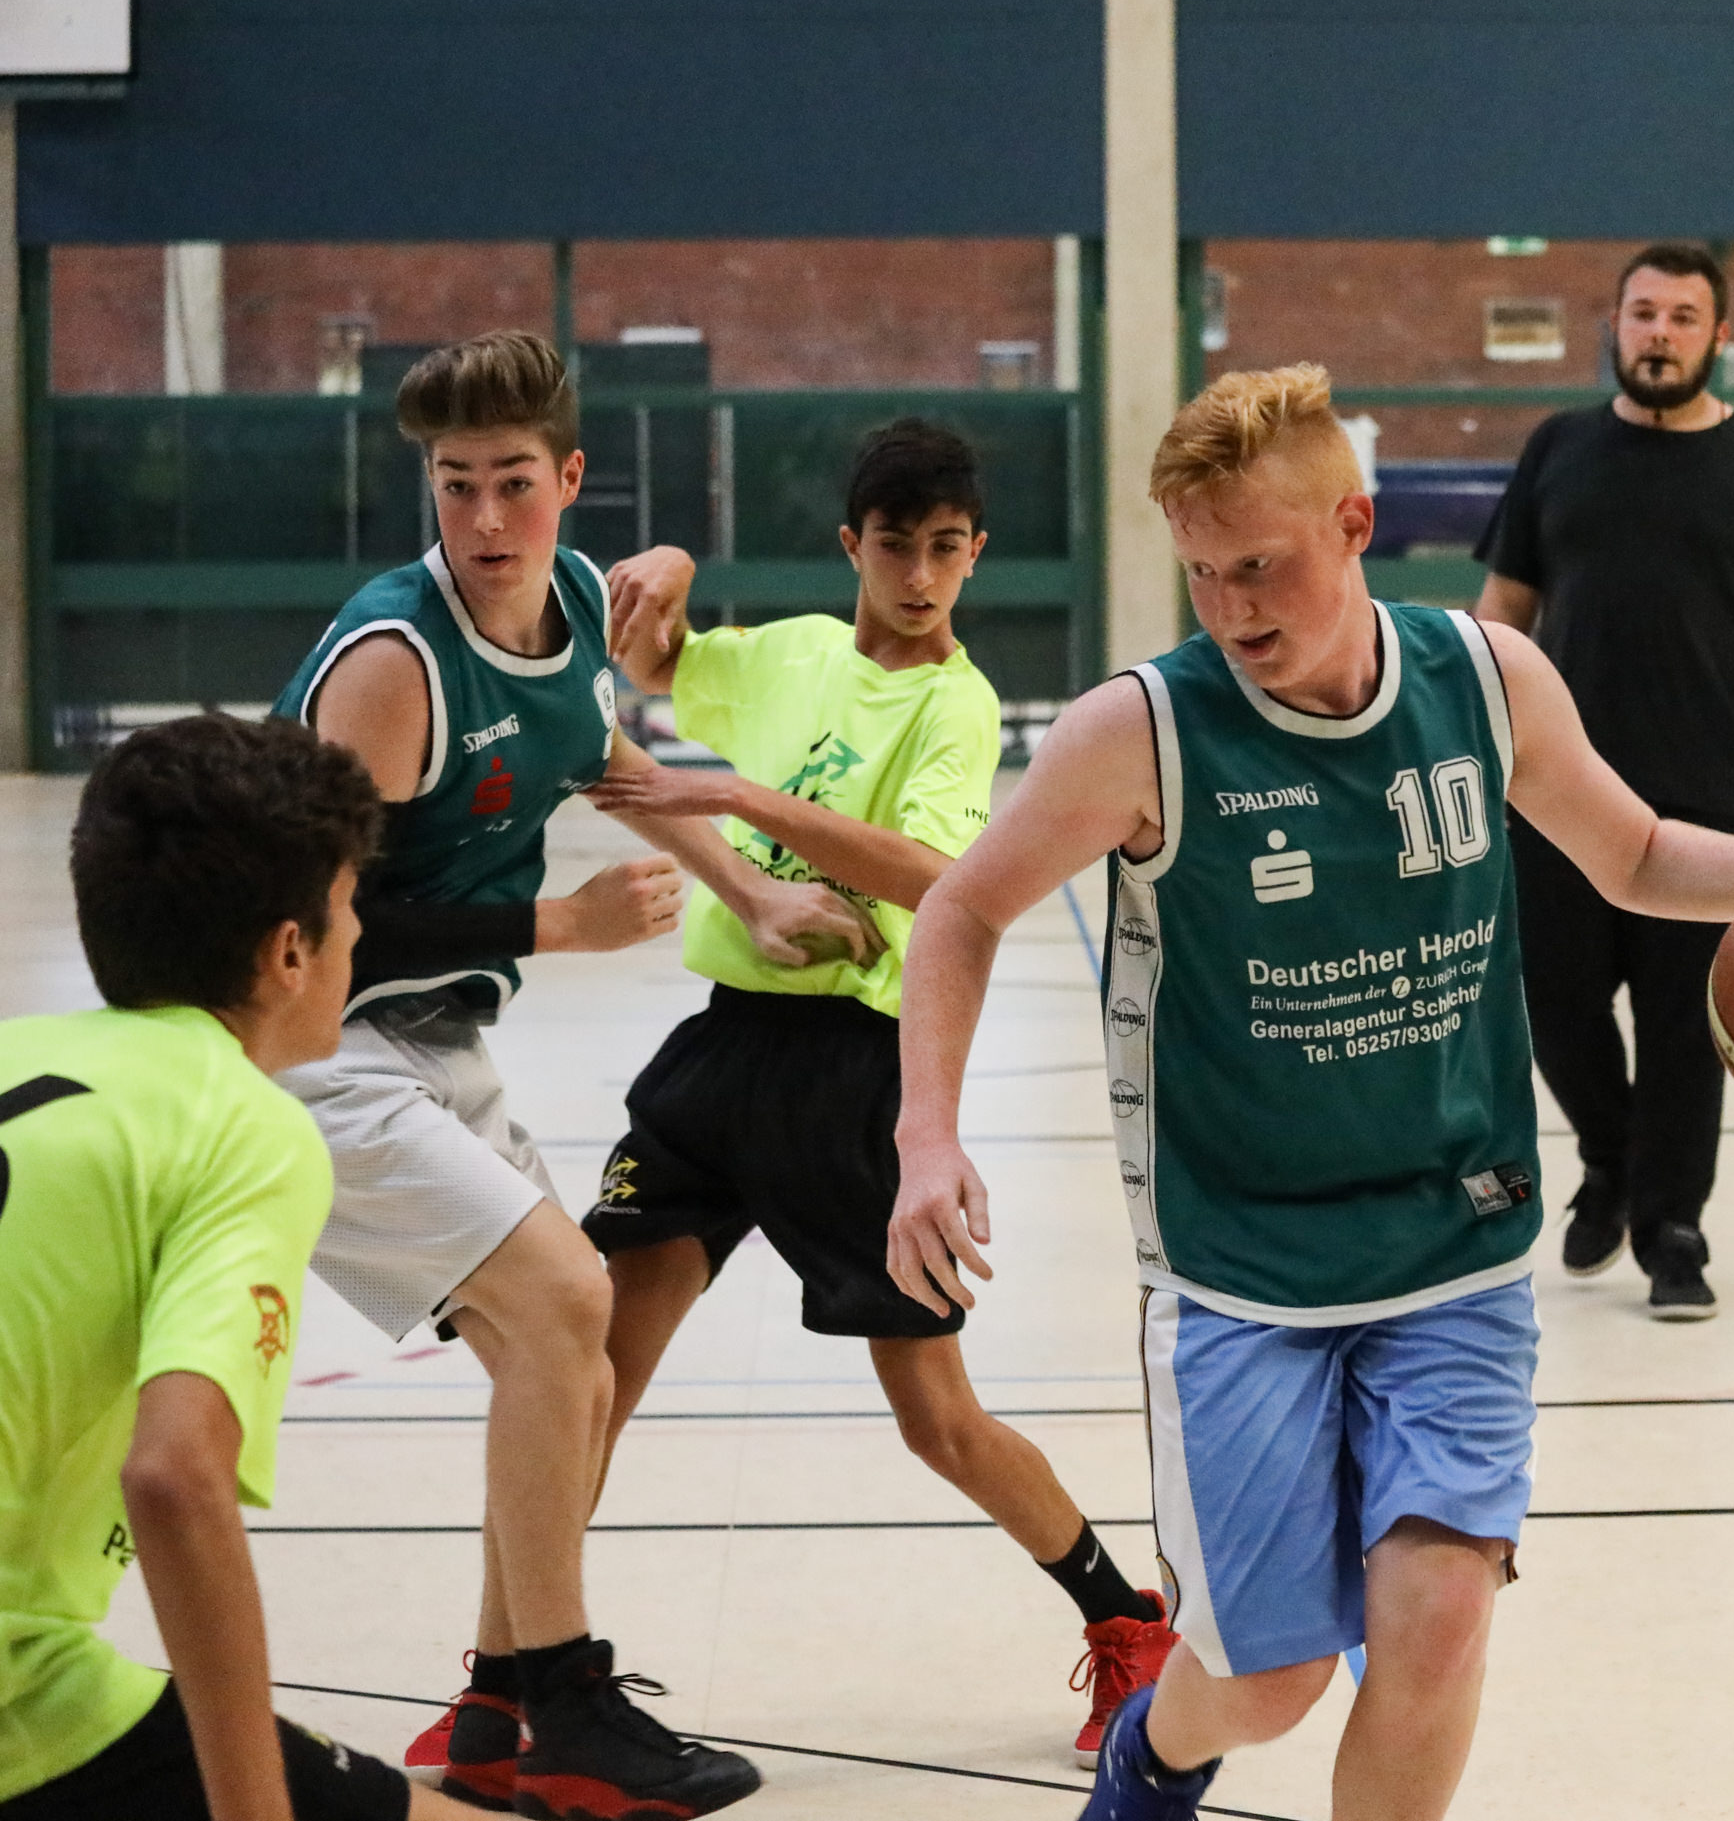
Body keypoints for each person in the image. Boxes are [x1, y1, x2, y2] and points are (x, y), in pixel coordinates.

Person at [879, 366, 1734, 1821]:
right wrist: (926, 1135)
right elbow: (959, 909)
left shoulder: (1486, 679)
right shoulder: (1143, 731)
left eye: (1259, 566)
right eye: (1201, 575)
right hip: (1240, 1264)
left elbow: (1634, 853)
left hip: (1456, 1238)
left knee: (1440, 1616)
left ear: (1354, 525)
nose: (1231, 609)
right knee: (1268, 1682)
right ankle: (1155, 1749)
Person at [269, 333, 842, 1816]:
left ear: (569, 479)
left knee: (566, 1358)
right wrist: (558, 925)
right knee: (572, 1305)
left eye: (513, 481)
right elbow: (310, 921)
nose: (483, 515)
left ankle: (492, 1709)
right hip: (308, 1040)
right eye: (454, 483)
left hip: (429, 1037)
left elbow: (605, 761)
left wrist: (750, 889)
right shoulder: (395, 665)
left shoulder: (578, 600)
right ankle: (570, 1710)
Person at [576, 417, 1178, 1767]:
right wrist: (667, 563)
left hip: (850, 1075)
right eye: (895, 545)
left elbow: (933, 878)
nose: (918, 575)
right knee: (591, 1374)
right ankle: (529, 1669)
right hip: (718, 1056)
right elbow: (653, 661)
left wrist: (741, 800)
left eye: (944, 548)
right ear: (852, 545)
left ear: (975, 555)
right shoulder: (790, 652)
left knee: (936, 1420)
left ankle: (1125, 1618)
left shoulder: (957, 706)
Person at [0, 714, 485, 1821]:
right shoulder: (240, 1123)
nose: (359, 937)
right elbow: (176, 1475)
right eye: (350, 910)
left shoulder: (17, 1050)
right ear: (289, 952)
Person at [1470, 242, 1734, 1319]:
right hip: (1559, 789)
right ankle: (1612, 1156)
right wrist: (1473, 746)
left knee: (1687, 1022)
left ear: (1718, 337)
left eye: (1683, 317)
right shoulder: (1558, 448)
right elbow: (1502, 613)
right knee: (1553, 1001)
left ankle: (1672, 1225)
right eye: (1643, 314)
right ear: (1614, 325)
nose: (1660, 334)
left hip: (1713, 788)